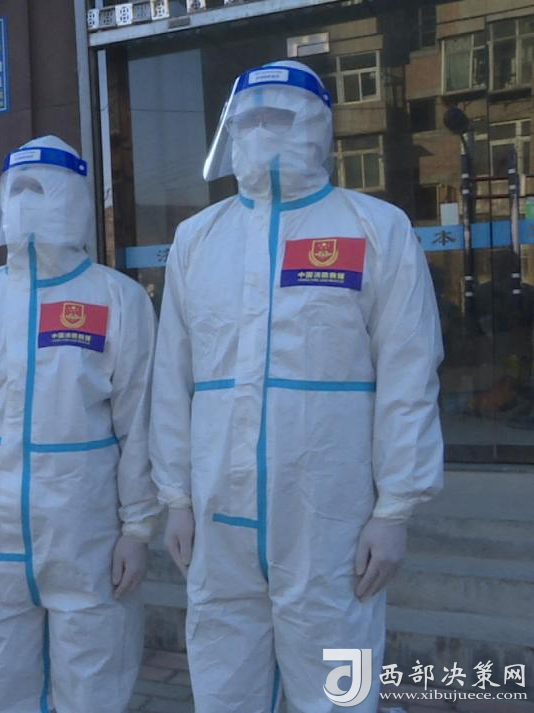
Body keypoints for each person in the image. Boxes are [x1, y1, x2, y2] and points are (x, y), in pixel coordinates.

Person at [150, 61, 444, 713]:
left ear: (315, 126)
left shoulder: (374, 228)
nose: (260, 130)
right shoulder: (198, 239)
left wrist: (394, 510)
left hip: (330, 517)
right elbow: (172, 378)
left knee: (340, 690)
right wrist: (175, 497)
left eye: (277, 117)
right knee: (223, 686)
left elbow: (408, 373)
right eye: (248, 118)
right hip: (218, 516)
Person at [0, 135, 159, 713]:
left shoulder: (117, 300)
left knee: (93, 679)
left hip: (84, 530)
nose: (25, 202)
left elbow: (140, 423)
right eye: (16, 189)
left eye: (39, 189)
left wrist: (138, 529)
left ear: (73, 198)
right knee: (0, 674)